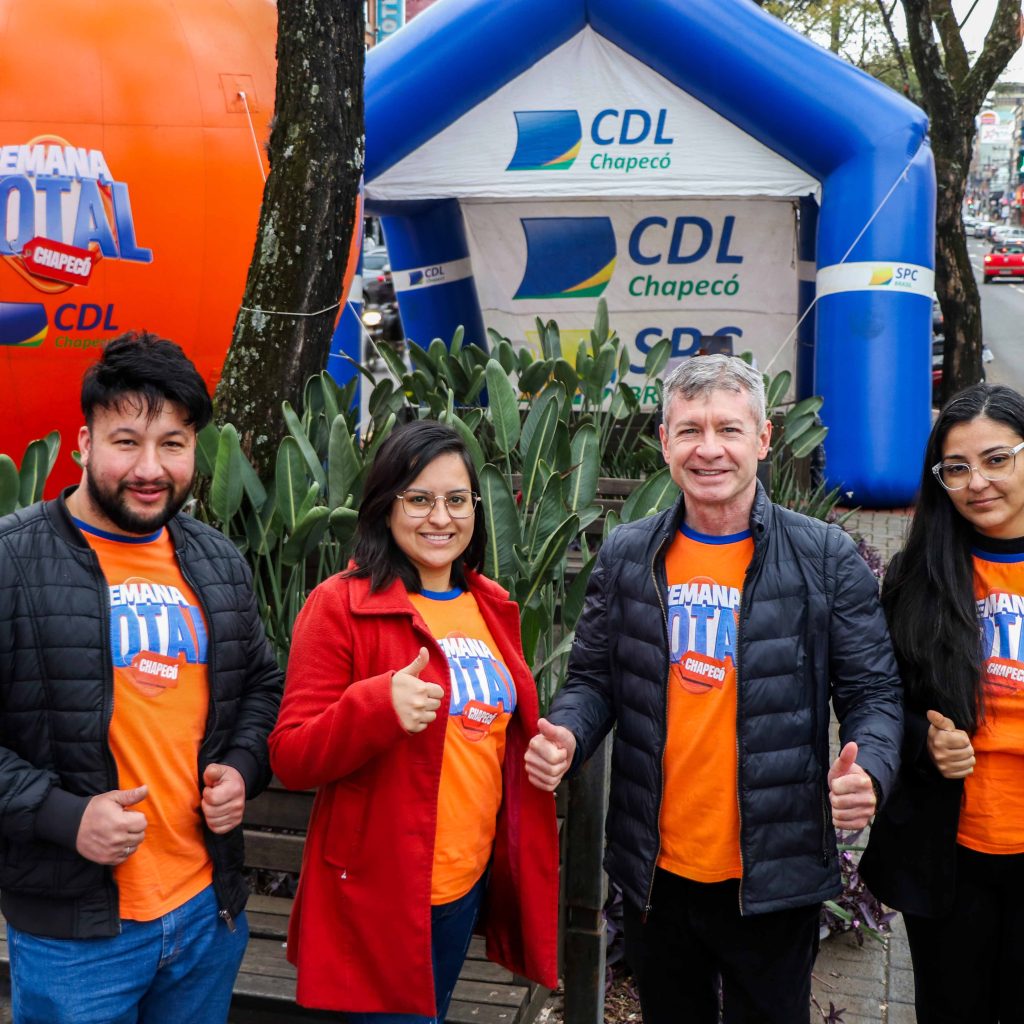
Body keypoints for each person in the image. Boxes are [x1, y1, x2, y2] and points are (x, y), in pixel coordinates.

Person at [525, 354, 903, 1024]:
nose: (709, 449)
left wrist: (869, 767)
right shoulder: (627, 553)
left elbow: (873, 692)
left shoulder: (824, 557)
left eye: (728, 429)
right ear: (664, 442)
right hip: (656, 873)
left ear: (762, 439)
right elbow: (592, 680)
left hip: (773, 872)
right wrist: (569, 734)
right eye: (689, 430)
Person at [0, 332, 282, 1024]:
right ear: (84, 443)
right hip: (76, 938)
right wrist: (64, 816)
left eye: (173, 444)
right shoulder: (11, 561)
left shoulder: (217, 560)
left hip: (206, 915)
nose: (150, 468)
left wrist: (243, 767)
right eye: (126, 442)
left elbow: (262, 687)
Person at [269, 420, 559, 1020]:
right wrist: (376, 707)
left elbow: (492, 733)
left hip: (464, 883)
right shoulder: (339, 605)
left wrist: (543, 752)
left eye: (457, 500)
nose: (440, 518)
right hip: (380, 894)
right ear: (386, 505)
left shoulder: (490, 604)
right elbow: (291, 756)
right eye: (419, 499)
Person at [860, 383, 1024, 1023]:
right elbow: (877, 696)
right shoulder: (917, 576)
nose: (976, 482)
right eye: (956, 468)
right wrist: (923, 742)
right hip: (951, 852)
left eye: (996, 459)